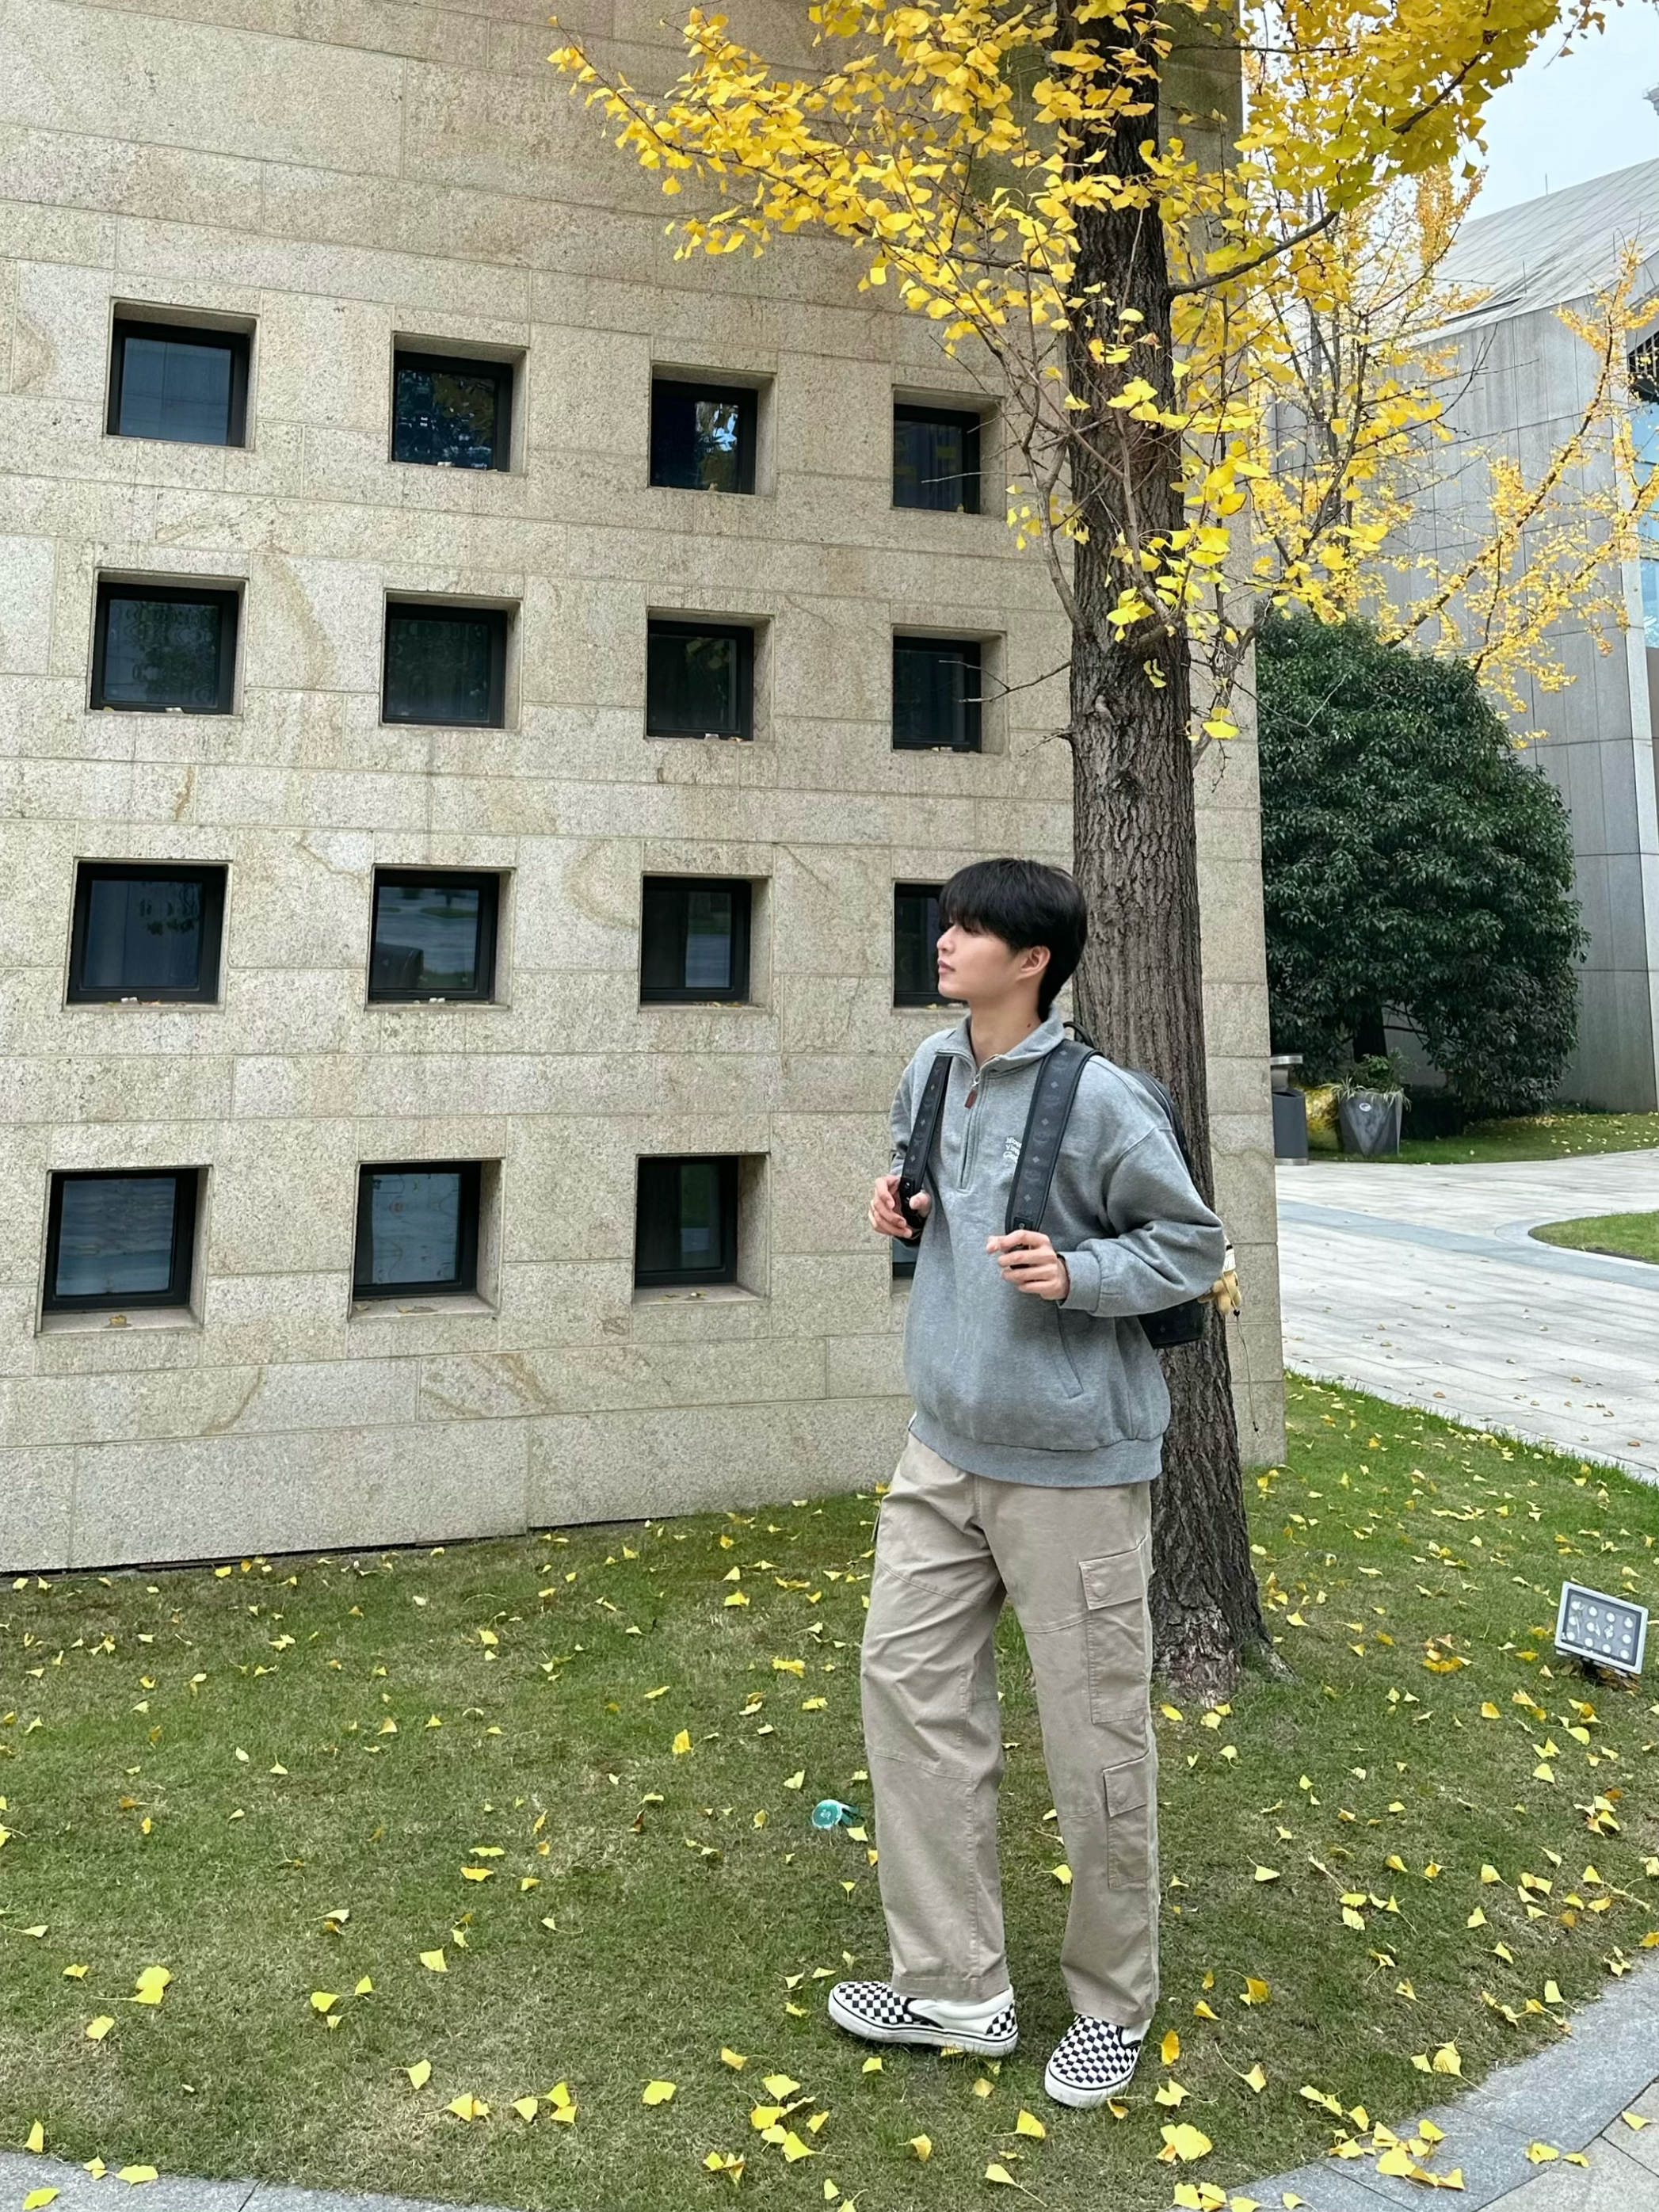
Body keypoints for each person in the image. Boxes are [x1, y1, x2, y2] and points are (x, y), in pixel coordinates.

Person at [826, 857, 1228, 2108]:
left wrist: (1080, 1274)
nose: (943, 942)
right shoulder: (929, 1068)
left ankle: (1110, 2004)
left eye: (969, 929)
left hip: (1073, 1469)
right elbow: (929, 1194)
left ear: (1033, 960)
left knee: (1093, 1738)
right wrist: (896, 1207)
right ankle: (957, 1987)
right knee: (908, 1695)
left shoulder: (1102, 1100)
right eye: (945, 924)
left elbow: (1191, 1247)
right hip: (942, 1445)